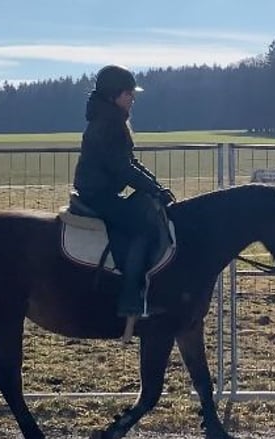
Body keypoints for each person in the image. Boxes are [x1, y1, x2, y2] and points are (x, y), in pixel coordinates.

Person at [72, 64, 175, 317]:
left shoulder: (111, 119)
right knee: (142, 225)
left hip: (103, 192)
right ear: (113, 95)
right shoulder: (108, 123)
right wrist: (155, 189)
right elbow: (121, 169)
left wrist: (157, 187)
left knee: (146, 207)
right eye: (128, 93)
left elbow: (130, 162)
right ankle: (130, 298)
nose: (133, 98)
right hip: (98, 196)